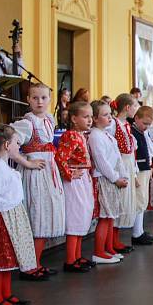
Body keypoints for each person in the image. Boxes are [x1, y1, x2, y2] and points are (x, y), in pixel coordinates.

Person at [10, 84, 66, 281]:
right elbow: (10, 146)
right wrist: (27, 162)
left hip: (48, 173)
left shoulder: (48, 119)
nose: (39, 101)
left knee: (44, 216)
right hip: (35, 175)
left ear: (50, 100)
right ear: (28, 99)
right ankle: (29, 267)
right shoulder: (28, 122)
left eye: (43, 98)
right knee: (37, 217)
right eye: (35, 98)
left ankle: (36, 263)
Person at [0, 124, 37, 305]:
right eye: (17, 142)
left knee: (7, 260)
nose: (19, 145)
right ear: (7, 145)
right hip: (0, 220)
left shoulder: (3, 167)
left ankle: (6, 294)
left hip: (10, 217)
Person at [54, 101, 96, 272]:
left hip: (82, 178)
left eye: (91, 117)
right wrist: (69, 174)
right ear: (73, 118)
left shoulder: (81, 135)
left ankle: (77, 256)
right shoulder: (71, 135)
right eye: (85, 117)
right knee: (75, 217)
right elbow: (60, 158)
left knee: (82, 216)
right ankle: (70, 259)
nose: (90, 120)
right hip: (74, 181)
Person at [88, 100, 128, 264]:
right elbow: (101, 161)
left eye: (110, 114)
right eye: (105, 115)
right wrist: (115, 178)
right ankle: (99, 251)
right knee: (105, 217)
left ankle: (109, 248)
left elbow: (117, 156)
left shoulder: (106, 134)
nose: (110, 117)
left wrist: (123, 174)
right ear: (95, 119)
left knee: (111, 216)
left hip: (113, 178)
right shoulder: (95, 136)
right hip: (105, 179)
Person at [109, 93, 139, 254]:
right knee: (118, 202)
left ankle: (116, 239)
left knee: (125, 201)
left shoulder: (126, 124)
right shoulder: (113, 124)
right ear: (127, 107)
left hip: (127, 163)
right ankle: (112, 240)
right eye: (135, 106)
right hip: (119, 163)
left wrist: (134, 172)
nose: (136, 109)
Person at [129, 105, 153, 245]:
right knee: (139, 201)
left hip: (145, 169)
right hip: (138, 170)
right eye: (144, 123)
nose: (146, 127)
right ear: (136, 118)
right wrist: (133, 175)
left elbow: (149, 150)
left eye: (149, 124)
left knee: (143, 200)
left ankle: (140, 230)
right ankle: (136, 233)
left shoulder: (143, 133)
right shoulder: (133, 132)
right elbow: (132, 155)